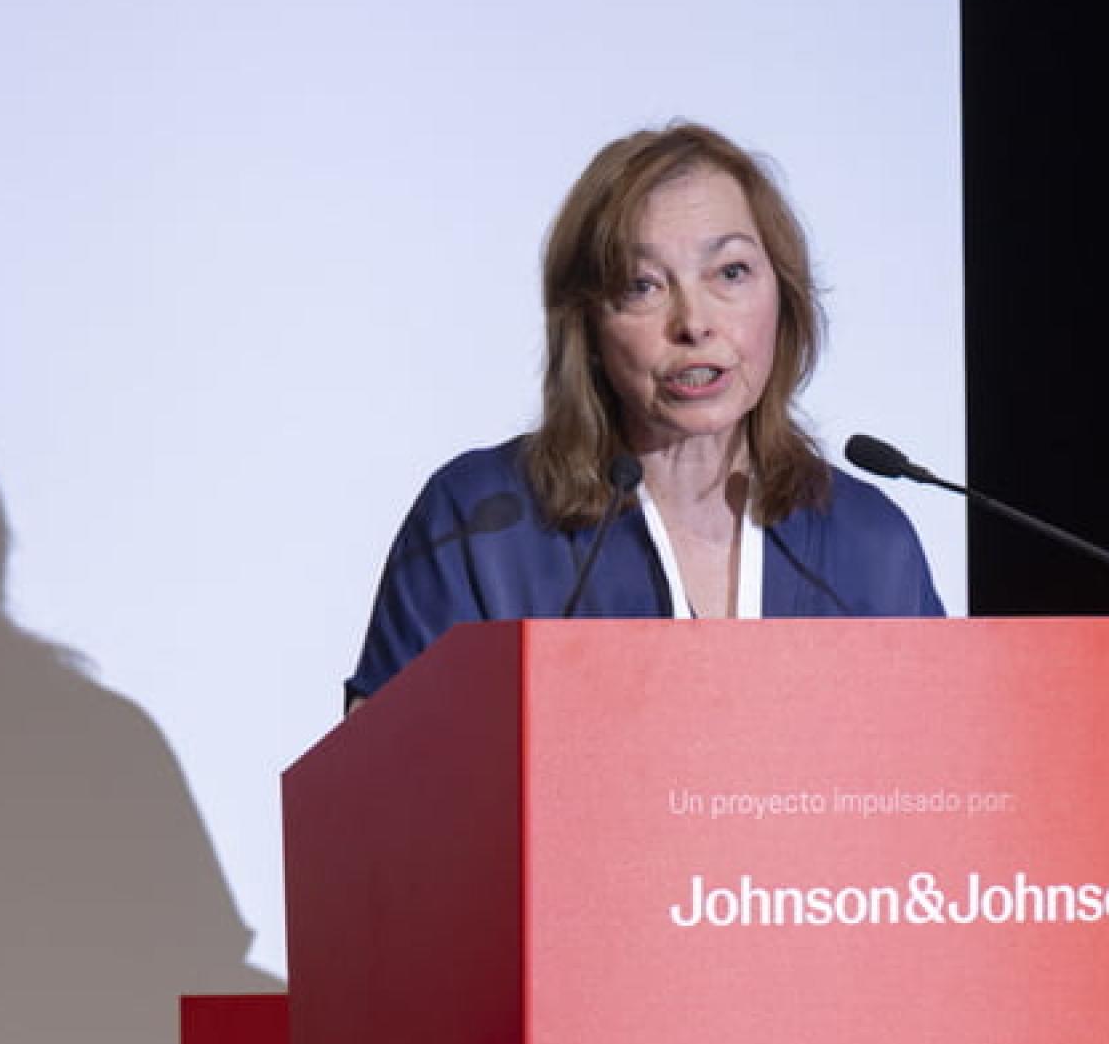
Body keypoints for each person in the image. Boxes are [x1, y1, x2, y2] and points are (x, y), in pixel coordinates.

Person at [347, 121, 944, 702]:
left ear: (784, 299)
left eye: (730, 272)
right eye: (643, 285)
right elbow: (380, 764)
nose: (694, 323)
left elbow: (943, 758)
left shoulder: (869, 541)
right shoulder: (481, 525)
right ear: (588, 326)